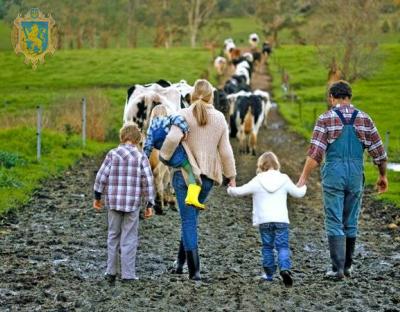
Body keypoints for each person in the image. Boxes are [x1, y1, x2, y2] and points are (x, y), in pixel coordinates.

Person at [297, 80, 388, 279]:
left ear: (332, 97)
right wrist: (382, 175)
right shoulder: (365, 119)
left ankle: (337, 269)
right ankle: (347, 267)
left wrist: (303, 177)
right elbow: (380, 154)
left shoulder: (325, 119)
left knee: (334, 219)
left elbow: (315, 153)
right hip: (356, 174)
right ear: (350, 97)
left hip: (334, 174)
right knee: (351, 220)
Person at [160, 79, 236, 280]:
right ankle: (179, 264)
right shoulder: (219, 118)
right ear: (211, 96)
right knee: (190, 219)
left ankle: (194, 272)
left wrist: (164, 157)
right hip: (207, 178)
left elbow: (172, 139)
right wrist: (231, 176)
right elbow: (225, 151)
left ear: (192, 95)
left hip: (184, 176)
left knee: (188, 220)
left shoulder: (182, 114)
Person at [227, 151, 306, 287]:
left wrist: (231, 188)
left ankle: (269, 274)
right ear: (276, 165)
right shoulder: (284, 178)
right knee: (282, 246)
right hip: (281, 220)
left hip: (264, 220)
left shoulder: (258, 179)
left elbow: (240, 191)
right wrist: (303, 186)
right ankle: (284, 269)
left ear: (261, 165)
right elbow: (298, 193)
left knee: (267, 247)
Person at [93, 122, 155, 283]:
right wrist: (149, 204)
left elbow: (101, 176)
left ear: (122, 137)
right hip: (132, 204)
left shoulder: (112, 154)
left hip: (113, 202)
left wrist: (97, 196)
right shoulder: (141, 157)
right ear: (137, 139)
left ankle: (110, 271)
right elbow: (148, 181)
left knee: (113, 235)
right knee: (129, 237)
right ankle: (128, 274)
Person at [143, 104, 204, 209]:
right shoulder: (168, 119)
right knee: (190, 169)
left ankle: (172, 190)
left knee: (172, 169)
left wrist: (143, 160)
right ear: (165, 113)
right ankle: (192, 197)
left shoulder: (151, 128)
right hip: (174, 153)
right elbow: (179, 120)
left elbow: (148, 146)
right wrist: (186, 131)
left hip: (163, 158)